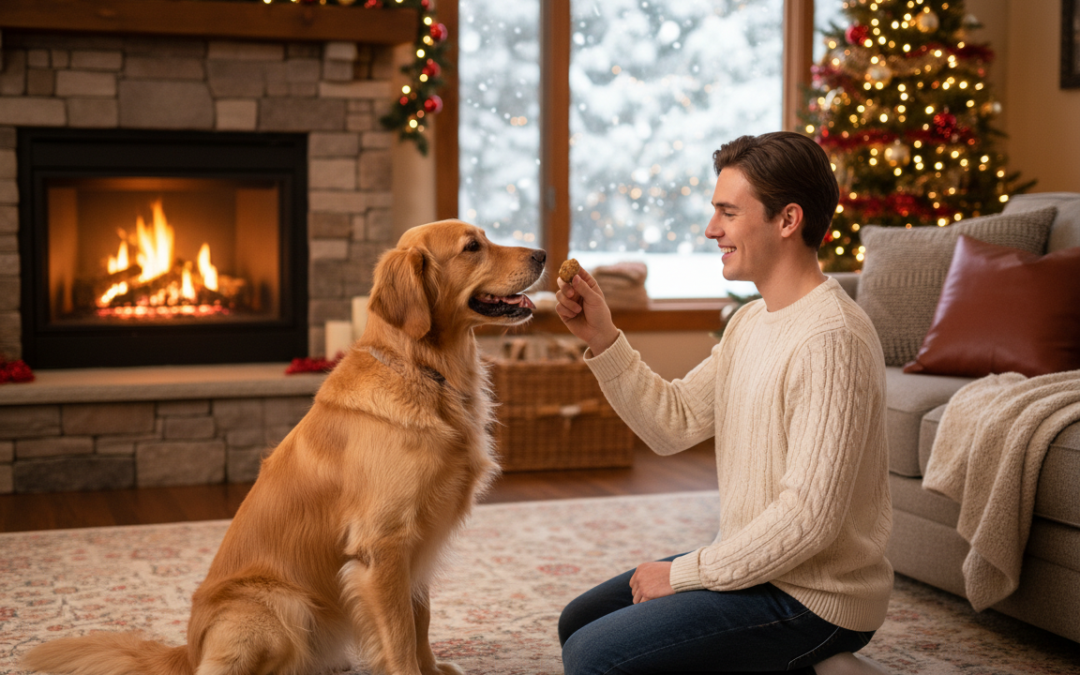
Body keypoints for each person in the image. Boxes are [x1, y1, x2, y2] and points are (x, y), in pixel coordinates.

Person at [554, 131, 893, 675]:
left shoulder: (832, 340)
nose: (712, 230)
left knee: (594, 659)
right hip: (759, 570)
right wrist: (603, 338)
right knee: (578, 623)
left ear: (787, 220)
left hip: (812, 596)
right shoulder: (750, 321)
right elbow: (674, 422)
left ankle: (816, 654)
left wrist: (685, 574)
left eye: (728, 213)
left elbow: (809, 520)